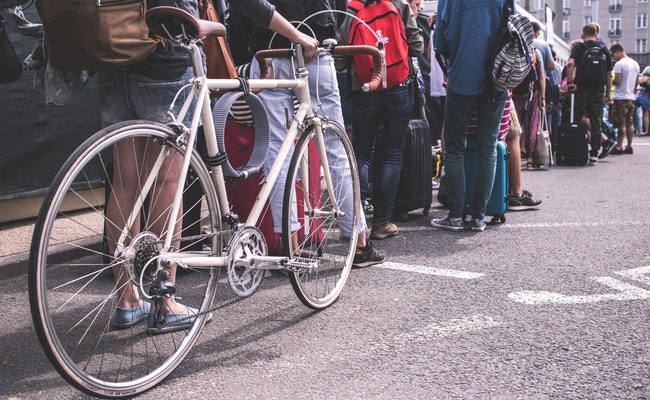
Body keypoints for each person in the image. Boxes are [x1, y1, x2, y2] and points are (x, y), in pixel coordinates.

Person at [228, 0, 386, 268]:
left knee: (277, 152)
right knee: (337, 150)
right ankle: (358, 242)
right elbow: (338, 7)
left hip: (269, 50)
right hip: (316, 45)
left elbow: (241, 15)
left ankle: (290, 244)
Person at [100, 0, 204, 332]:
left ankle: (127, 299)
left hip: (114, 53)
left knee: (124, 182)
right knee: (167, 183)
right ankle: (166, 301)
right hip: (165, 59)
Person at [338, 0, 423, 240]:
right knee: (392, 154)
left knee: (362, 153)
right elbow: (417, 45)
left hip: (364, 88)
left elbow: (340, 59)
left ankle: (358, 222)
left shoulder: (350, 9)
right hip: (399, 86)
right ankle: (382, 223)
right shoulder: (398, 4)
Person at [430, 0, 509, 232]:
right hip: (496, 76)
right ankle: (478, 217)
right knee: (488, 147)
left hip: (463, 73)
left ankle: (455, 216)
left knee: (454, 147)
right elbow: (511, 23)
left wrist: (450, 66)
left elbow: (441, 38)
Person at [564, 23, 613, 165]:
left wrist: (569, 82)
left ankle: (578, 149)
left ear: (583, 33)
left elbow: (570, 64)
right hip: (597, 91)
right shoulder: (604, 49)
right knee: (596, 121)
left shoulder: (579, 47)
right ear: (597, 34)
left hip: (581, 90)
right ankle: (594, 154)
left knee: (578, 119)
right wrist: (607, 94)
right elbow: (609, 74)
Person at [608, 43, 640, 155]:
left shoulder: (619, 64)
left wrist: (609, 81)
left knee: (620, 123)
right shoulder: (635, 63)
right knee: (629, 122)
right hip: (631, 96)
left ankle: (618, 146)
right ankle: (629, 146)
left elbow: (617, 81)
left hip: (621, 97)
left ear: (617, 52)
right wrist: (633, 91)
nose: (613, 57)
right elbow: (637, 82)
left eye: (613, 55)